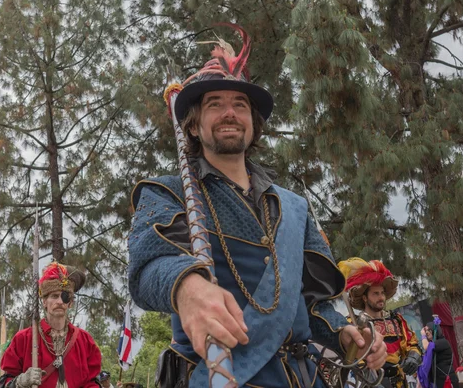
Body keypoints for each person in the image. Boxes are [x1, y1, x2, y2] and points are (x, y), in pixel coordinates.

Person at [127, 24, 387, 388]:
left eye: (240, 105)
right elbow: (148, 266)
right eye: (214, 104)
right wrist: (186, 287)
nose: (229, 113)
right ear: (193, 126)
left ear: (254, 123)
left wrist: (345, 334)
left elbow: (313, 306)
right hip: (218, 375)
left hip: (301, 379)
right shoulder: (167, 193)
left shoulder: (294, 207)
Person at [0, 262, 102, 388]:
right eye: (54, 296)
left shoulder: (85, 341)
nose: (59, 301)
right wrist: (20, 382)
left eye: (64, 297)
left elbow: (92, 382)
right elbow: (4, 383)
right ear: (44, 301)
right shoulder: (24, 339)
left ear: (70, 303)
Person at [338, 257, 422, 388]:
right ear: (365, 298)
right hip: (369, 383)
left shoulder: (397, 320)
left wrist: (413, 357)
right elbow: (349, 357)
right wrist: (368, 378)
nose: (381, 297)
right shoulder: (354, 324)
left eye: (382, 293)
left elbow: (413, 344)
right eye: (375, 293)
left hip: (400, 383)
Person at [417, 319, 458, 388]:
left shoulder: (443, 342)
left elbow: (426, 347)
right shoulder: (432, 344)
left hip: (447, 380)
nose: (426, 332)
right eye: (425, 330)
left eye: (428, 330)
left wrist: (423, 335)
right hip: (438, 381)